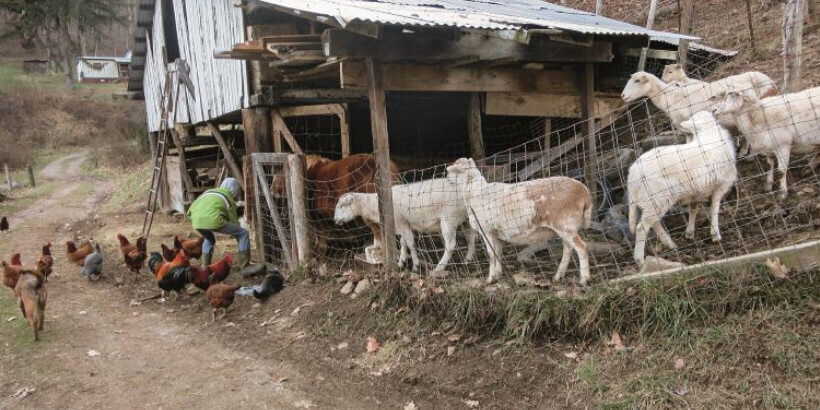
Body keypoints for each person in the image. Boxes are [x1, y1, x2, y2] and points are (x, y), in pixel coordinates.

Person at [187, 178, 255, 271]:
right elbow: (233, 220)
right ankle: (245, 267)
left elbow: (191, 208)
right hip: (213, 220)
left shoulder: (209, 192)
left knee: (209, 239)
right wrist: (237, 226)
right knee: (243, 234)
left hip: (195, 220)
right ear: (234, 189)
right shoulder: (228, 198)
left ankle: (204, 267)